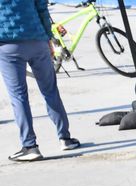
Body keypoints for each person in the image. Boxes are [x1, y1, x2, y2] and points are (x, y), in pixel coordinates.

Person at [0, 0, 80, 162]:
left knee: (18, 96)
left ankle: (30, 147)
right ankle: (65, 138)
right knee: (50, 90)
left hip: (7, 44)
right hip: (38, 40)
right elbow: (42, 8)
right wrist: (49, 39)